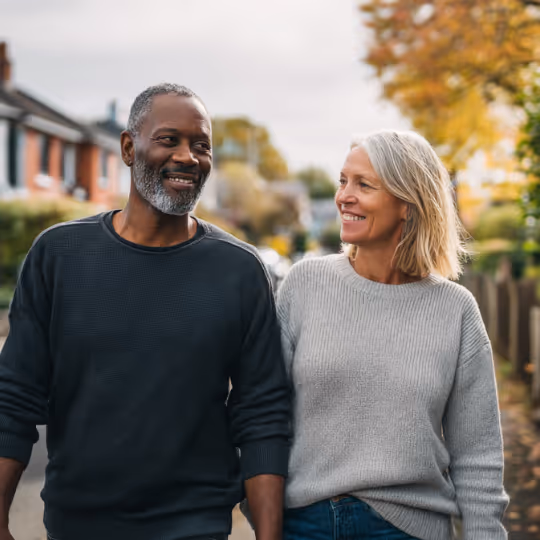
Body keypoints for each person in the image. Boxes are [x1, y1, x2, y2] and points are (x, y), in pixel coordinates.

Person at [0, 83, 290, 540]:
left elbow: (262, 415)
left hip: (196, 525)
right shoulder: (57, 256)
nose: (188, 157)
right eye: (169, 139)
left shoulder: (239, 271)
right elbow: (14, 397)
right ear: (128, 147)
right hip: (78, 524)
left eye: (202, 146)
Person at [277, 130, 508, 539]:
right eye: (343, 181)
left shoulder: (455, 310)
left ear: (407, 202)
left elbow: (478, 456)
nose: (344, 196)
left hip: (409, 527)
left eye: (364, 185)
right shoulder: (304, 285)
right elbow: (264, 413)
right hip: (304, 524)